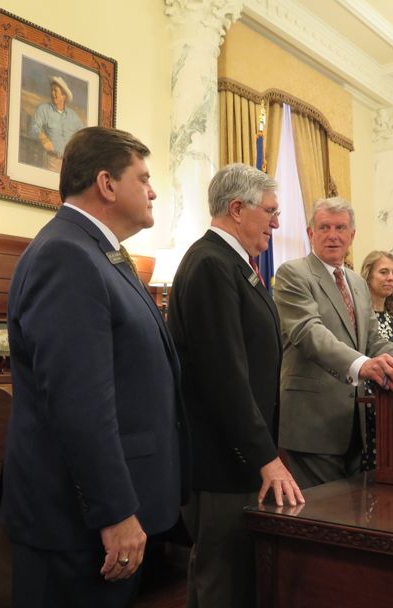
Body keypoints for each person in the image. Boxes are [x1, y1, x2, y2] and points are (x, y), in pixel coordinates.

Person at [0, 126, 188, 608]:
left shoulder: (102, 254)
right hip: (77, 521)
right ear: (106, 184)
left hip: (97, 516)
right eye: (143, 178)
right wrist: (115, 512)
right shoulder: (67, 254)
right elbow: (79, 403)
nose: (152, 190)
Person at [168, 163, 303, 608]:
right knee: (222, 582)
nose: (277, 222)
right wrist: (265, 457)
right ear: (237, 209)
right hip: (221, 461)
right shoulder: (210, 263)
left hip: (237, 455)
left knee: (227, 577)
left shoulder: (232, 263)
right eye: (271, 211)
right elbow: (223, 374)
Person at [274, 197, 393, 489]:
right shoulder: (292, 274)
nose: (332, 235)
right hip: (312, 425)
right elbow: (309, 332)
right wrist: (364, 366)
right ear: (311, 233)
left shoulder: (358, 283)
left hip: (356, 424)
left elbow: (374, 341)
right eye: (324, 227)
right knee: (321, 517)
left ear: (352, 235)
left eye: (340, 227)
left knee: (351, 516)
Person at [359, 250, 393, 471]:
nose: (390, 278)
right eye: (383, 272)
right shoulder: (358, 316)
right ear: (367, 276)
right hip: (365, 401)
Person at [29, 75, 85, 171]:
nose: (52, 93)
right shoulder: (44, 109)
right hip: (50, 160)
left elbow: (84, 134)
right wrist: (44, 138)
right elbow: (33, 128)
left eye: (55, 90)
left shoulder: (73, 116)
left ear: (64, 96)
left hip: (69, 164)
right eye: (51, 90)